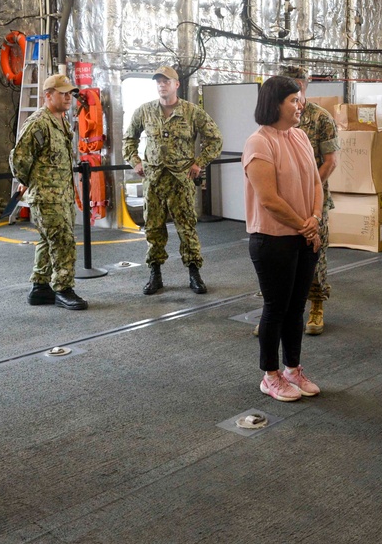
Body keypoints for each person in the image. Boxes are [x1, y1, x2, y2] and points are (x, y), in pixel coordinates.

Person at [244, 76, 324, 402]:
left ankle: (293, 368)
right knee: (276, 308)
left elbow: (317, 183)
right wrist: (305, 226)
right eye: (294, 99)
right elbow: (269, 199)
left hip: (304, 237)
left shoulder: (301, 136)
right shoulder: (259, 142)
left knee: (295, 309)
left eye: (300, 98)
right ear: (276, 104)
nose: (300, 104)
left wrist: (314, 221)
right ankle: (271, 375)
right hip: (272, 239)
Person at [123, 65, 222, 296]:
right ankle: (155, 273)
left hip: (181, 180)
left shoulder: (191, 112)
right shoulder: (145, 111)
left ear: (176, 84)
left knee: (187, 228)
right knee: (154, 229)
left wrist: (200, 162)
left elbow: (215, 138)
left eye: (166, 81)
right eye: (158, 81)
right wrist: (135, 161)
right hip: (154, 181)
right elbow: (129, 139)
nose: (161, 85)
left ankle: (194, 273)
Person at [9, 73, 88, 311]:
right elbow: (19, 158)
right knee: (62, 240)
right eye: (62, 93)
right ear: (48, 95)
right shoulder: (38, 123)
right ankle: (63, 289)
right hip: (46, 196)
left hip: (61, 193)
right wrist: (25, 181)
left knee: (47, 239)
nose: (68, 97)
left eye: (69, 93)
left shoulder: (61, 119)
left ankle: (40, 288)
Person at [279, 65, 338, 335]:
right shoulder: (275, 118)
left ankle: (316, 305)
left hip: (313, 200)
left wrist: (311, 190)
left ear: (304, 87)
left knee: (315, 253)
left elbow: (330, 162)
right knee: (280, 256)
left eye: (296, 84)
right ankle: (277, 310)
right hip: (283, 200)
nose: (293, 89)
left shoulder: (320, 118)